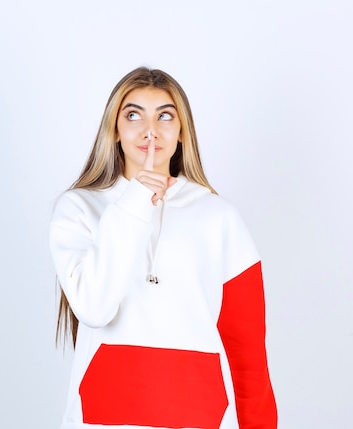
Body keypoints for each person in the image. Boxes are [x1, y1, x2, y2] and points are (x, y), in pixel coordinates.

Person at [49, 67, 277, 429]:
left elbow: (247, 353)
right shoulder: (80, 209)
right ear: (115, 130)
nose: (150, 130)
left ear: (181, 132)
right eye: (134, 114)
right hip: (101, 419)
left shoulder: (219, 218)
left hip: (200, 419)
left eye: (165, 116)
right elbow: (95, 306)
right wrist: (135, 199)